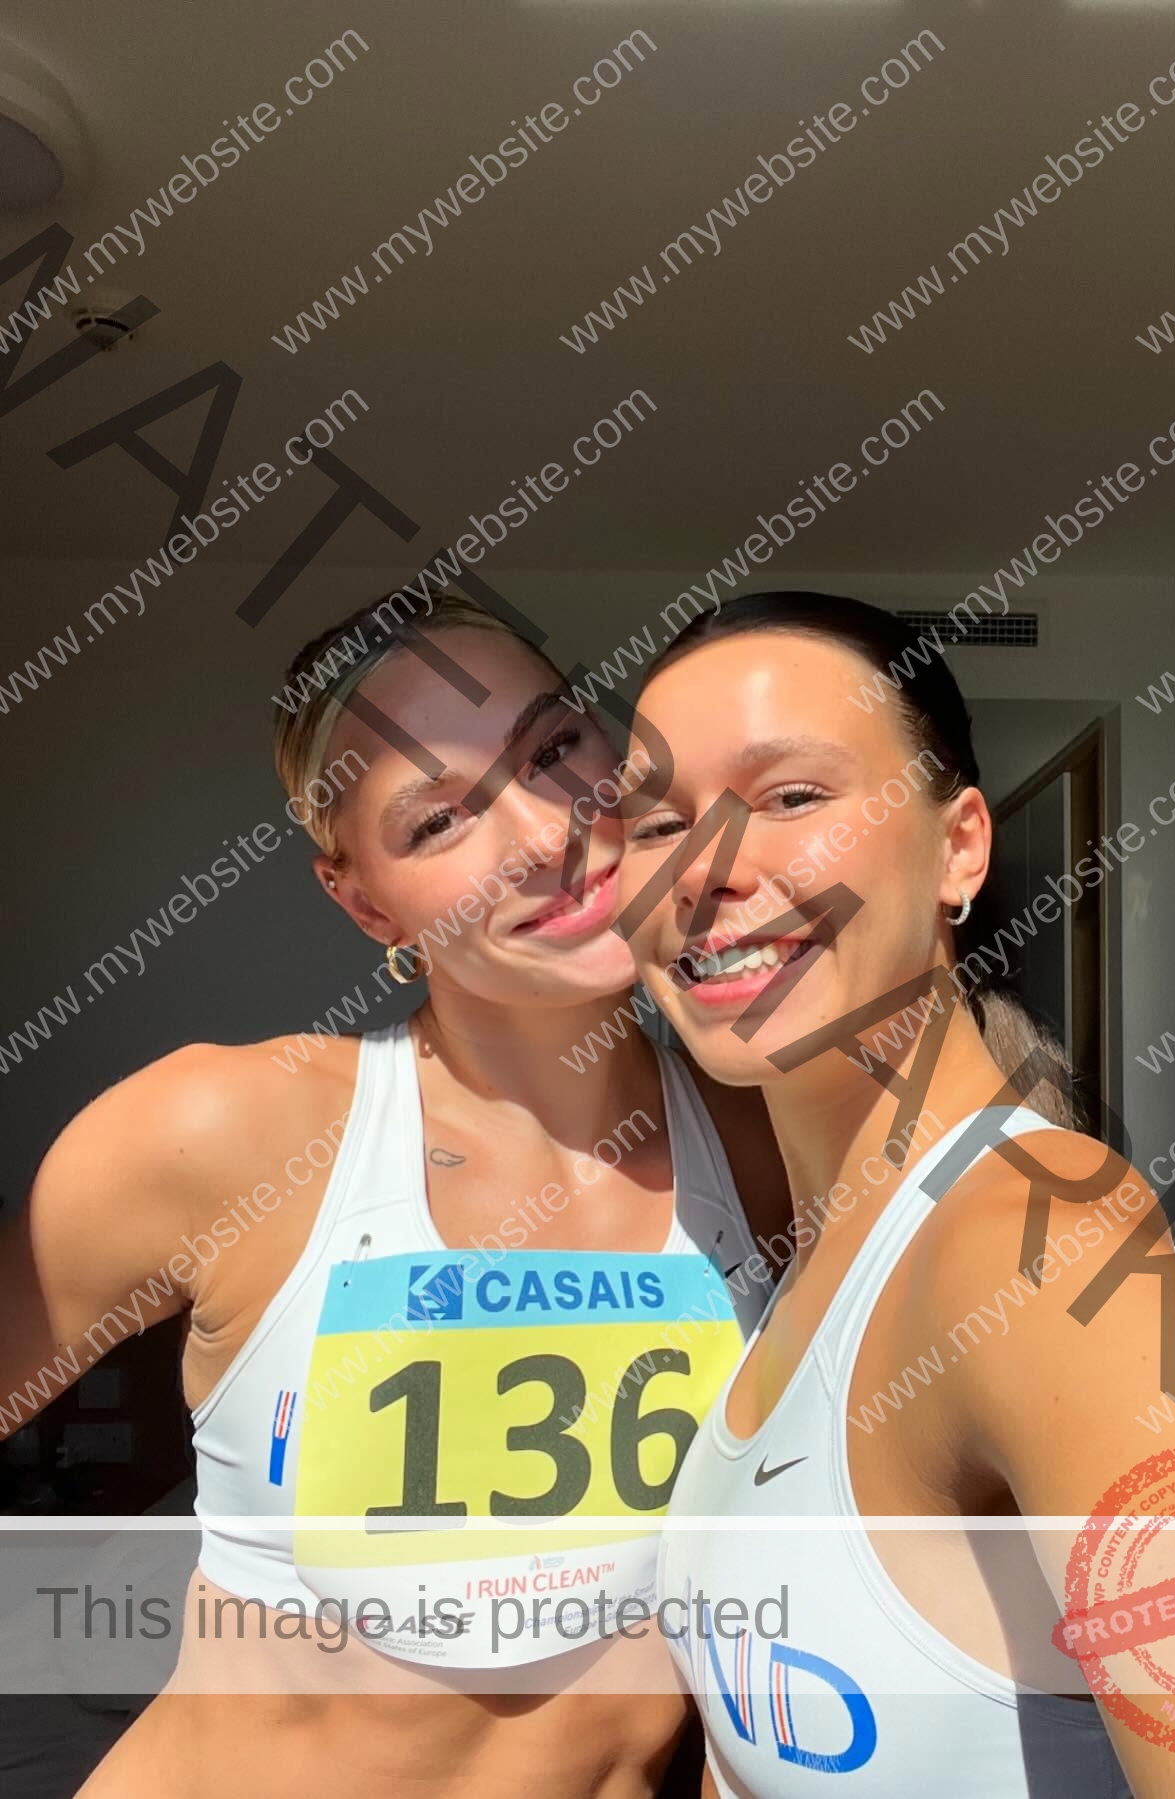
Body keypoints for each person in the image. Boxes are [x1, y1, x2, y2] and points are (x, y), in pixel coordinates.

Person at [614, 591, 1175, 1797]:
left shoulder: (1031, 1250)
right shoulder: (808, 1247)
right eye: (656, 822)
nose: (705, 868)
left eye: (792, 795)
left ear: (959, 846)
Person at [0, 593, 790, 1798]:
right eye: (438, 820)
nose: (541, 833)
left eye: (552, 748)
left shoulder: (773, 1144)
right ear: (363, 900)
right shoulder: (224, 1134)